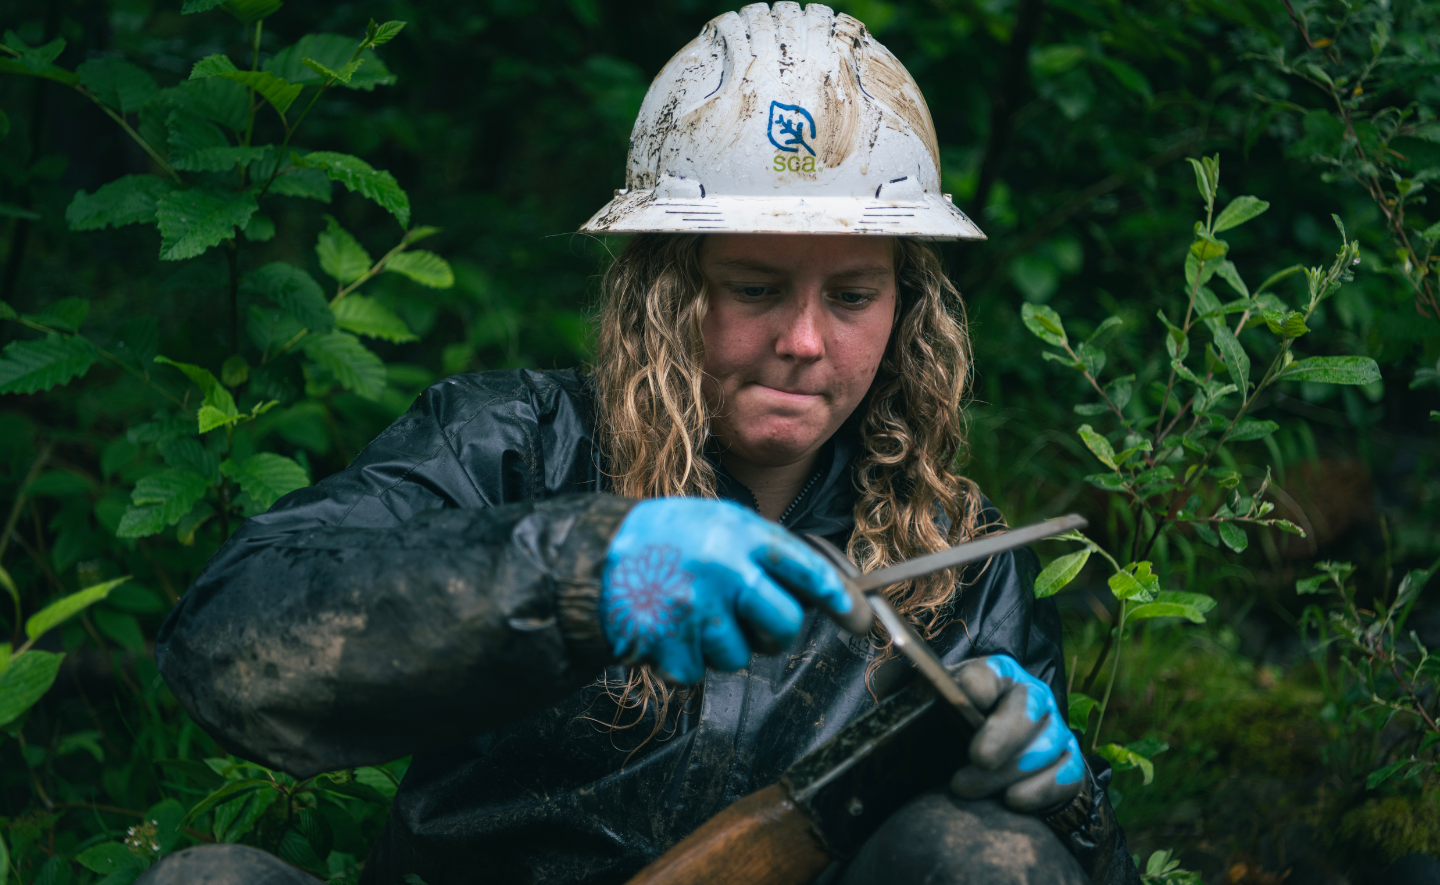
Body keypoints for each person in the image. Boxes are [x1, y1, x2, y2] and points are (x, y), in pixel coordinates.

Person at [147, 4, 1140, 884]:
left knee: (991, 857)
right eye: (753, 288)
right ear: (668, 286)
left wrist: (1065, 799)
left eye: (851, 295)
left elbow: (1085, 868)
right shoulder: (506, 448)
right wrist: (577, 574)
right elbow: (227, 647)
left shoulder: (957, 561)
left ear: (907, 306)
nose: (803, 341)